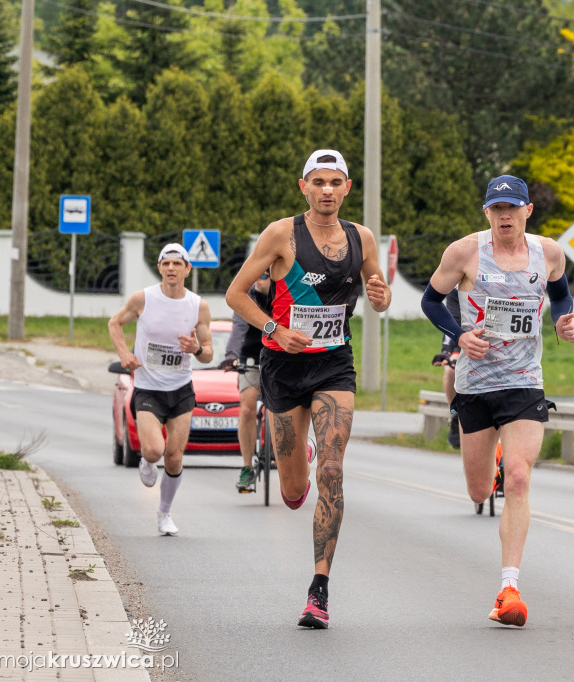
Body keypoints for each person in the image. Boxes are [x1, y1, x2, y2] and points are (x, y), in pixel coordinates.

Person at [225, 149, 391, 629]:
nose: (326, 190)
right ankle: (296, 464)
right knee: (295, 489)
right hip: (283, 368)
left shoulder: (362, 238)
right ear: (304, 187)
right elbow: (236, 295)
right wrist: (274, 331)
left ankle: (319, 589)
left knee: (333, 471)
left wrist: (381, 296)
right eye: (318, 182)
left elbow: (378, 295)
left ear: (347, 188)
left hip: (334, 365)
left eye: (334, 182)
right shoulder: (282, 234)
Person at [420, 174, 574, 627]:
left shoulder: (548, 253)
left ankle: (509, 587)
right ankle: (489, 462)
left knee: (519, 478)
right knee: (477, 490)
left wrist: (565, 322)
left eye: (513, 208)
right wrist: (460, 335)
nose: (504, 216)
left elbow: (561, 295)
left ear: (528, 211)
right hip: (476, 384)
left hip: (525, 380)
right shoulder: (465, 252)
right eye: (497, 209)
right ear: (486, 212)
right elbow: (430, 301)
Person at [108, 243, 214, 536]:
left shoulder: (198, 306)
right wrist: (124, 354)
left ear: (187, 269)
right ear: (159, 268)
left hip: (180, 388)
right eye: (165, 263)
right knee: (154, 450)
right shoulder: (143, 299)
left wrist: (195, 348)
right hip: (147, 387)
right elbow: (114, 322)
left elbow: (208, 354)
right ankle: (145, 459)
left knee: (175, 457)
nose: (171, 269)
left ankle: (164, 513)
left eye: (177, 264)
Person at [218, 270, 274, 492]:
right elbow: (238, 330)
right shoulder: (247, 296)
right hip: (251, 357)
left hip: (280, 358)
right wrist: (231, 357)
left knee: (282, 409)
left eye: (265, 275)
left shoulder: (284, 295)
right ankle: (247, 467)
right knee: (247, 409)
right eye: (257, 275)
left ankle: (284, 453)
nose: (260, 279)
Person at [430, 288, 462, 449]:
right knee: (450, 370)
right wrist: (448, 353)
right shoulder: (457, 289)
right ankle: (456, 415)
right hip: (466, 337)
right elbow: (452, 322)